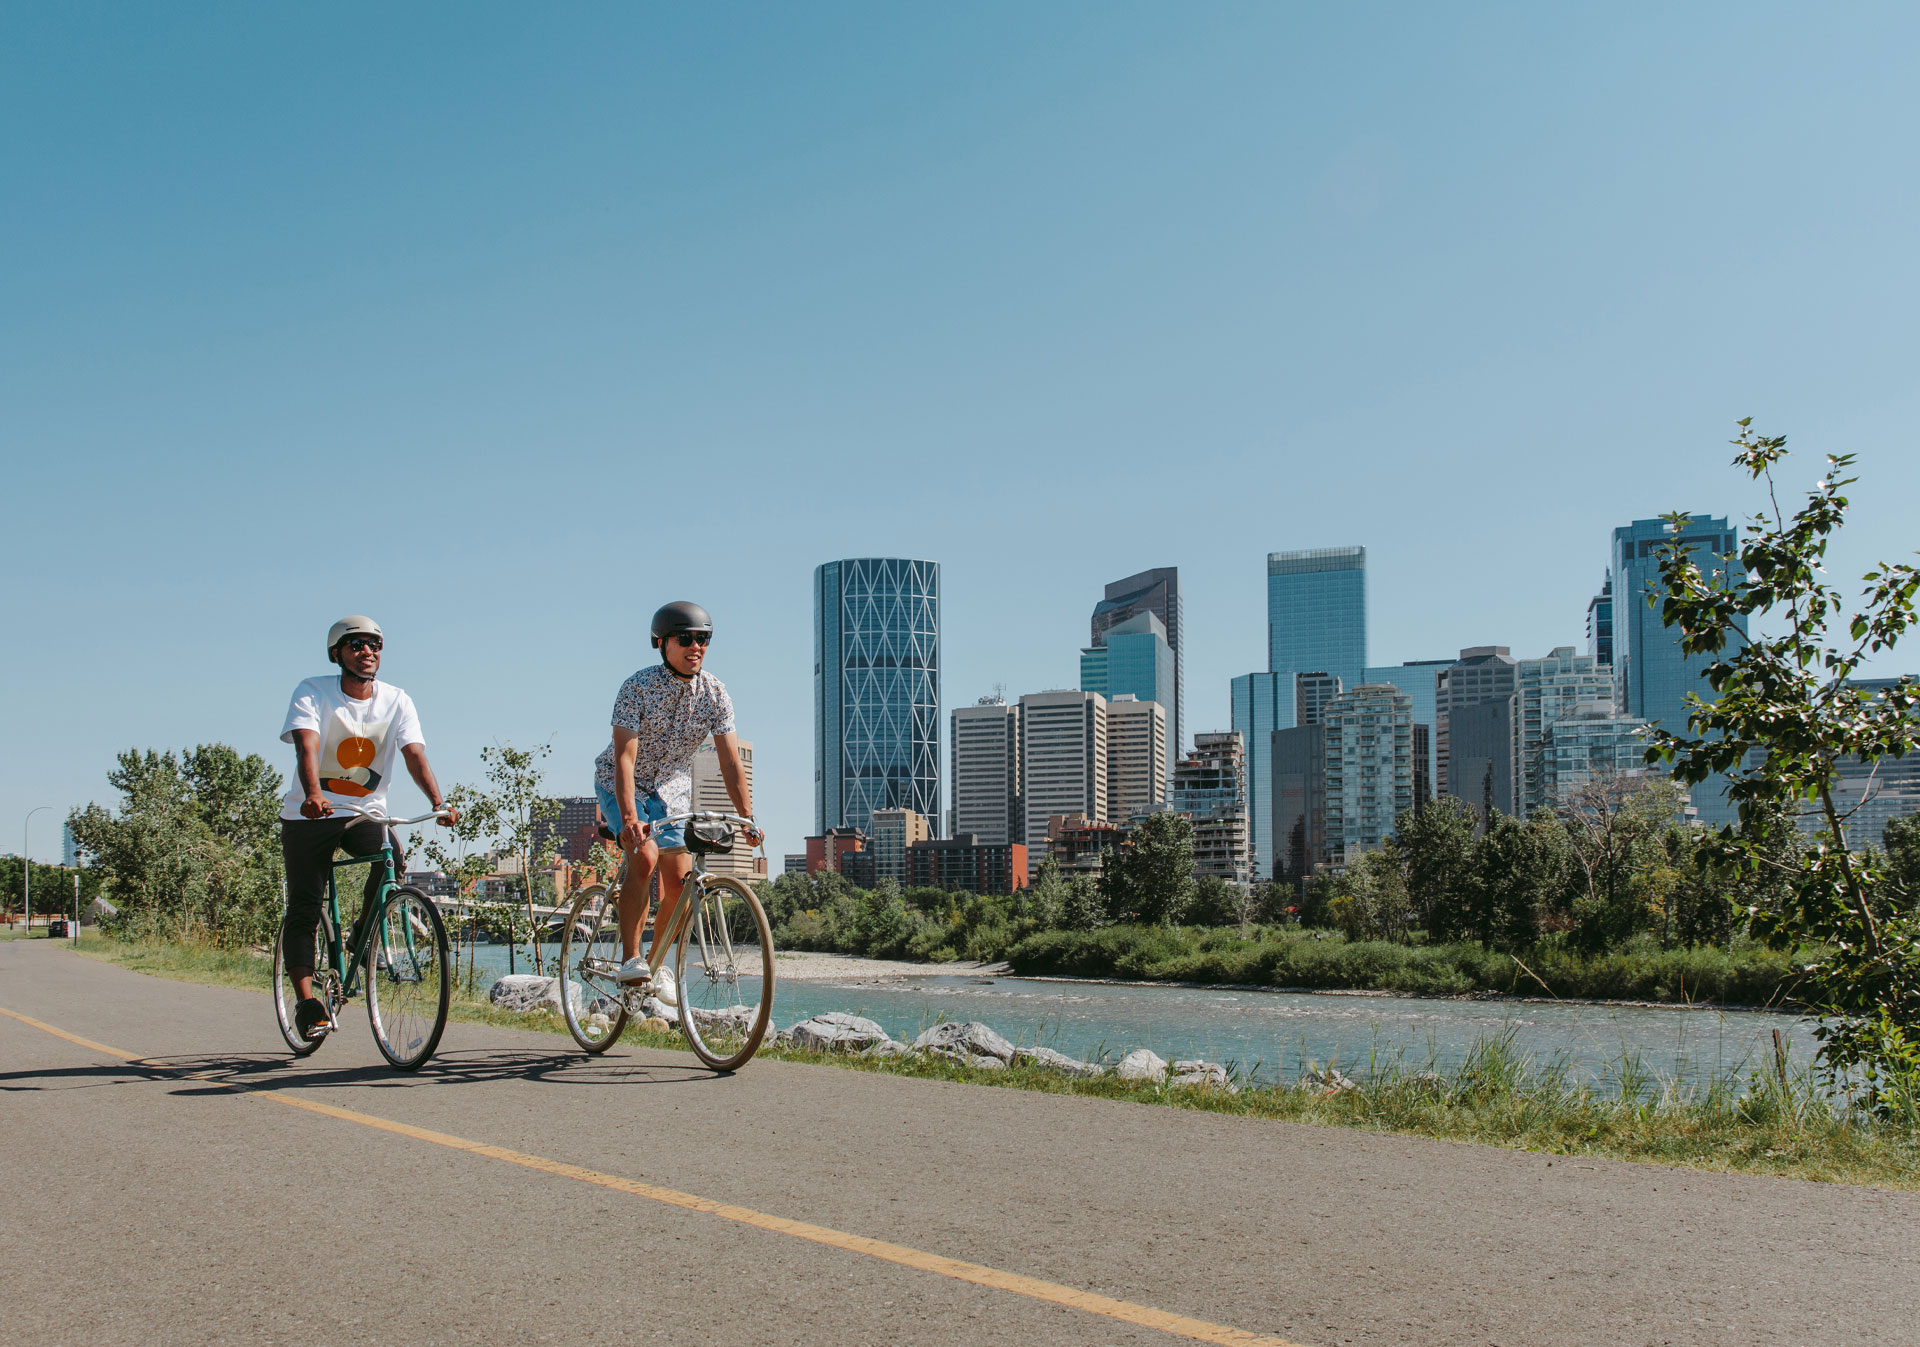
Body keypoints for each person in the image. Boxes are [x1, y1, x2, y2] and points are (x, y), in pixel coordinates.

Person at [279, 616, 456, 1042]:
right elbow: (307, 744)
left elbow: (414, 755)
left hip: (364, 812)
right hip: (311, 814)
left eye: (375, 644)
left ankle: (363, 934)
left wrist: (438, 802)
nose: (367, 651)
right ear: (335, 653)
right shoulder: (312, 691)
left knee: (391, 860)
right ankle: (308, 1003)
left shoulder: (397, 701)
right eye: (355, 644)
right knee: (305, 906)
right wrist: (313, 793)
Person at [593, 601, 761, 1005]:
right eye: (686, 638)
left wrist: (747, 817)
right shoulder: (637, 686)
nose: (696, 646)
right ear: (661, 642)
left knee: (682, 887)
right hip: (623, 785)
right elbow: (624, 758)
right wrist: (630, 817)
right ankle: (631, 958)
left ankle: (650, 970)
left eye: (703, 639)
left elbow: (729, 761)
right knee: (644, 857)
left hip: (672, 792)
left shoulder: (715, 692)